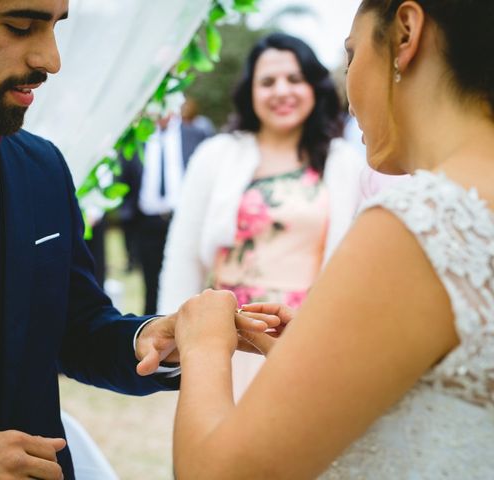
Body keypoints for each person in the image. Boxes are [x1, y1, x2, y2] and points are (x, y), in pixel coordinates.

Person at [0, 1, 274, 478]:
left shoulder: (43, 168)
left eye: (55, 28)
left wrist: (148, 339)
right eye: (20, 27)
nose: (51, 60)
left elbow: (75, 328)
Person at [171, 0, 494, 478]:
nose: (346, 88)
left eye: (351, 54)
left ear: (405, 34)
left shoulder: (421, 223)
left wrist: (200, 345)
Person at [158, 33, 365, 397]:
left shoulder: (342, 161)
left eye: (294, 79)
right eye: (267, 81)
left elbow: (352, 261)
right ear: (250, 91)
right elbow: (183, 253)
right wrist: (173, 334)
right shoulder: (216, 155)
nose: (281, 91)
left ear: (314, 87)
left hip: (303, 338)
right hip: (227, 335)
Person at [119, 112, 211, 314]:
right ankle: (153, 331)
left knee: (187, 282)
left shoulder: (196, 135)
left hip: (183, 221)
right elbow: (125, 174)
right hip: (147, 223)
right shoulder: (137, 137)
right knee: (151, 285)